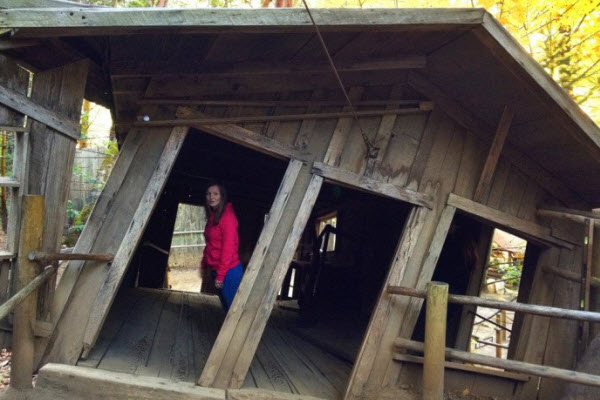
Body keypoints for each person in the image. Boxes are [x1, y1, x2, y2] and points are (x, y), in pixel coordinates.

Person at [200, 182, 243, 311]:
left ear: (222, 196)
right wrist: (204, 263)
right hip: (217, 270)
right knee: (226, 308)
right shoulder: (213, 217)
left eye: (215, 194)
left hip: (229, 271)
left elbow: (228, 249)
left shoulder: (228, 217)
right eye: (208, 194)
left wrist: (221, 274)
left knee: (233, 310)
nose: (211, 197)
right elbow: (210, 244)